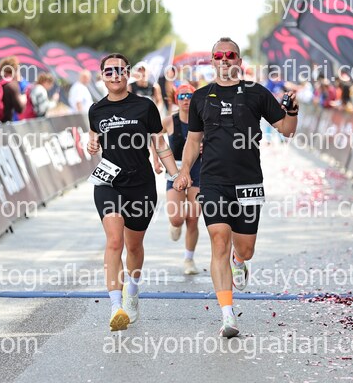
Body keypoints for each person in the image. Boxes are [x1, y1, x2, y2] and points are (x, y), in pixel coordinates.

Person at [174, 37, 299, 337]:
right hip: (213, 181)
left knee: (245, 248)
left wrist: (293, 112)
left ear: (239, 62)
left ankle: (239, 261)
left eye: (230, 55)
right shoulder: (201, 97)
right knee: (219, 239)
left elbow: (286, 130)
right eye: (219, 55)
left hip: (248, 181)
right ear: (212, 61)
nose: (224, 59)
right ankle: (227, 315)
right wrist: (185, 171)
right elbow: (193, 140)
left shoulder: (256, 92)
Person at [87, 53, 181, 332]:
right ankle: (116, 307)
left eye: (120, 70)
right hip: (108, 183)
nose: (115, 75)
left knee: (134, 246)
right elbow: (94, 137)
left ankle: (133, 290)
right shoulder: (96, 110)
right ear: (102, 76)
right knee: (114, 240)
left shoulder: (145, 106)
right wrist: (91, 145)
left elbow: (160, 143)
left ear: (128, 74)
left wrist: (175, 175)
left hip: (141, 185)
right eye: (109, 71)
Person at [155, 84, 201, 275]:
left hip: (197, 169)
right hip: (175, 170)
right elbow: (156, 137)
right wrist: (156, 160)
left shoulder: (202, 119)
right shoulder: (169, 121)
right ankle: (175, 225)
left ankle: (189, 259)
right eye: (182, 96)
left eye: (189, 96)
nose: (186, 100)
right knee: (176, 218)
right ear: (176, 99)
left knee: (193, 218)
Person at [0, 56, 25, 123]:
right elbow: (20, 109)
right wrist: (23, 99)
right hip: (6, 124)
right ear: (14, 70)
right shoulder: (12, 85)